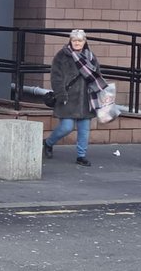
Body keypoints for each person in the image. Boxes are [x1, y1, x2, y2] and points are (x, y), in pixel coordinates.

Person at [43, 29, 105, 167]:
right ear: (70, 41)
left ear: (84, 41)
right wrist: (60, 94)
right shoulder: (62, 55)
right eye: (74, 40)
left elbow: (97, 76)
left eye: (80, 40)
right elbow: (56, 77)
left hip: (86, 98)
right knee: (66, 127)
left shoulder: (90, 56)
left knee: (84, 130)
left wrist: (98, 91)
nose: (77, 43)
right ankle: (48, 143)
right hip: (67, 97)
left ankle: (81, 156)